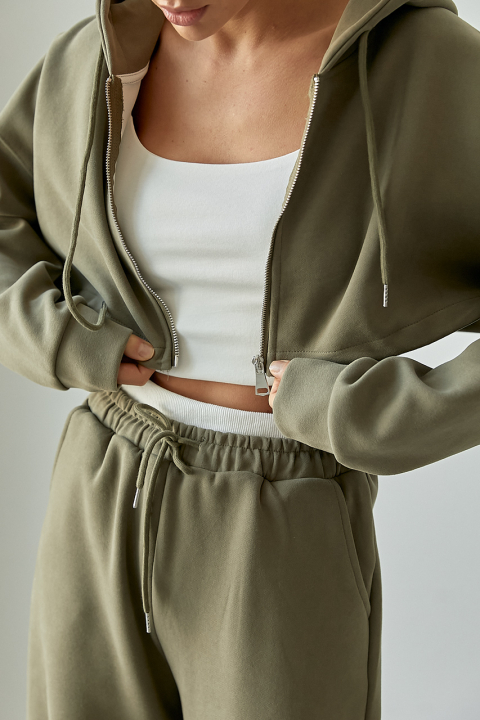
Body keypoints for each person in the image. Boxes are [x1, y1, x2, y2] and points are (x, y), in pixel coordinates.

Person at [1, 0, 480, 717]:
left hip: (285, 522)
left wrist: (377, 413)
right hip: (102, 488)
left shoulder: (428, 63)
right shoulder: (105, 53)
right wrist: (56, 334)